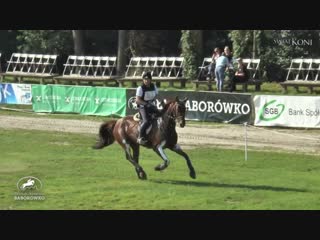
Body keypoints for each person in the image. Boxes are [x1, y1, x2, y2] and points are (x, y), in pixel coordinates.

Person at [135, 71, 159, 145]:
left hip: (151, 105)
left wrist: (152, 103)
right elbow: (137, 100)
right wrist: (146, 104)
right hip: (143, 107)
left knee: (160, 115)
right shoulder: (140, 88)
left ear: (150, 80)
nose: (146, 80)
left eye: (148, 79)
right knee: (146, 121)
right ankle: (140, 137)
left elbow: (156, 95)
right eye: (144, 79)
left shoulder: (154, 87)